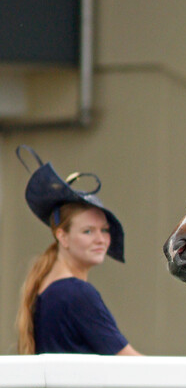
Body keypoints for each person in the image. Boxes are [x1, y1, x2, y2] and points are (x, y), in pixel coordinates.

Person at [15, 147, 141, 357]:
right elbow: (131, 364)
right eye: (88, 231)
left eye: (105, 230)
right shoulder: (76, 293)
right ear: (62, 236)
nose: (101, 239)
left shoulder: (48, 287)